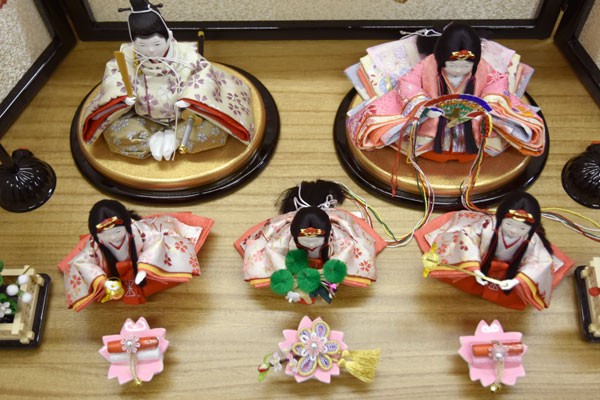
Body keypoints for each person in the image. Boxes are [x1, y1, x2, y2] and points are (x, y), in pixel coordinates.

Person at [81, 0, 255, 161]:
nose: (150, 50)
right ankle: (152, 141)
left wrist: (189, 98)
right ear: (133, 43)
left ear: (169, 36)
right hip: (142, 117)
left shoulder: (186, 54)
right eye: (142, 45)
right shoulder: (127, 56)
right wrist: (124, 97)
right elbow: (114, 77)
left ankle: (176, 138)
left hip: (186, 116)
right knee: (114, 134)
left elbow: (203, 76)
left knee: (215, 131)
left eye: (156, 44)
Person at [346, 23, 545, 162]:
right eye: (453, 65)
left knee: (511, 125)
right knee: (390, 123)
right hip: (434, 118)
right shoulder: (429, 64)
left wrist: (489, 103)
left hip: (472, 120)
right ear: (441, 57)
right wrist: (423, 105)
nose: (458, 70)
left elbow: (497, 82)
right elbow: (408, 82)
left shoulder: (483, 67)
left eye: (466, 66)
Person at [234, 180, 387, 304]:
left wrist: (331, 274)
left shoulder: (338, 234)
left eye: (316, 239)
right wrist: (288, 277)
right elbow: (272, 250)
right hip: (297, 264)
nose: (312, 244)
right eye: (305, 239)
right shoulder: (284, 235)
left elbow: (347, 250)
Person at [414, 192, 573, 310]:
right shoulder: (488, 226)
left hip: (512, 273)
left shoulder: (532, 241)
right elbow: (468, 236)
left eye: (522, 228)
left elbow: (541, 262)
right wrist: (474, 268)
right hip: (480, 262)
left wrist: (517, 281)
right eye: (509, 224)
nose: (514, 231)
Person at [58, 199, 213, 311]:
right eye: (105, 235)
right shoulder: (94, 244)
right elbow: (82, 262)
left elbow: (155, 241)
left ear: (127, 226)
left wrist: (144, 268)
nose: (113, 238)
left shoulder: (139, 230)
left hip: (143, 266)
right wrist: (103, 281)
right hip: (114, 274)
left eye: (117, 232)